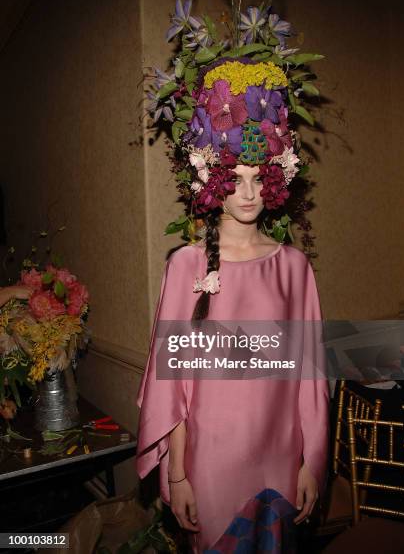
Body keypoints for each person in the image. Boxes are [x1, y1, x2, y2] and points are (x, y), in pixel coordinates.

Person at [136, 48, 329, 552]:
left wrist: (311, 461)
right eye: (235, 179)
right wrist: (178, 474)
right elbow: (170, 383)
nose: (248, 195)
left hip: (281, 456)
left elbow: (309, 377)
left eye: (257, 179)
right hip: (211, 460)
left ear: (274, 179)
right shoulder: (186, 266)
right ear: (212, 180)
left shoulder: (294, 268)